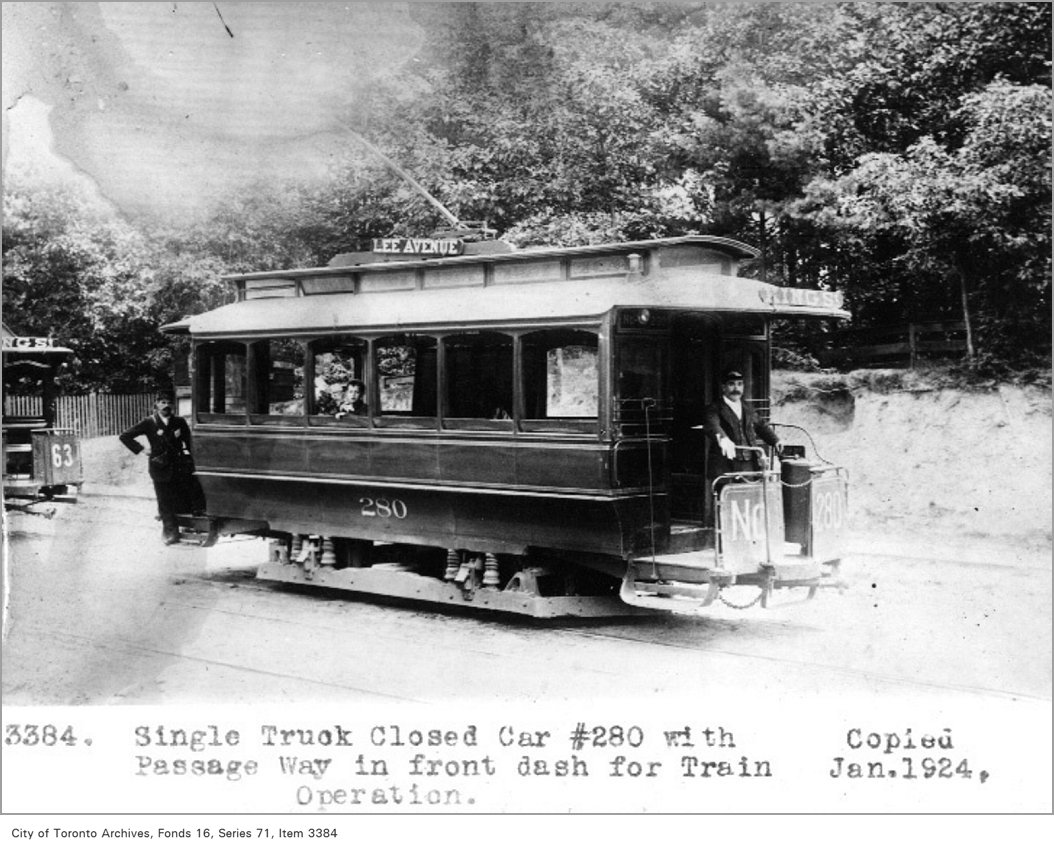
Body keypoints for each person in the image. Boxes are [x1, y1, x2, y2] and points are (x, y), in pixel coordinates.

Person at [119, 394, 206, 545]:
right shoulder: (149, 422)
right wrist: (141, 449)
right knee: (164, 501)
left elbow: (189, 442)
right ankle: (170, 533)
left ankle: (189, 527)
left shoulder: (179, 421)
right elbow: (125, 436)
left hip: (179, 466)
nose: (166, 405)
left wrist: (194, 461)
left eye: (169, 403)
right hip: (160, 467)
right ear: (157, 405)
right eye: (162, 402)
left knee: (182, 496)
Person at [702, 369, 782, 477]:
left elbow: (761, 425)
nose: (736, 388)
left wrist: (775, 440)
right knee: (727, 493)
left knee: (748, 492)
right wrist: (723, 438)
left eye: (739, 384)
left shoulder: (747, 407)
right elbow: (712, 424)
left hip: (749, 463)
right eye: (731, 384)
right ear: (723, 387)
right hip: (725, 464)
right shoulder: (714, 408)